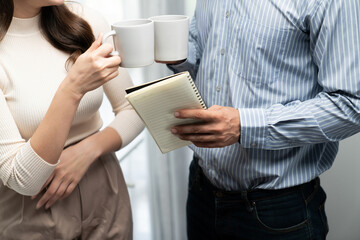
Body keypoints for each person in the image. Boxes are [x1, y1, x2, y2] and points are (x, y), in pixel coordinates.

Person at [167, 0, 360, 239]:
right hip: (201, 189)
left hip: (278, 212)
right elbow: (205, 50)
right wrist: (178, 56)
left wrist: (243, 126)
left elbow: (351, 104)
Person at [0, 0, 144, 239]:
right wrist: (73, 88)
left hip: (104, 188)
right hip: (30, 205)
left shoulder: (86, 20)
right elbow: (23, 179)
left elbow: (133, 108)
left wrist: (88, 150)